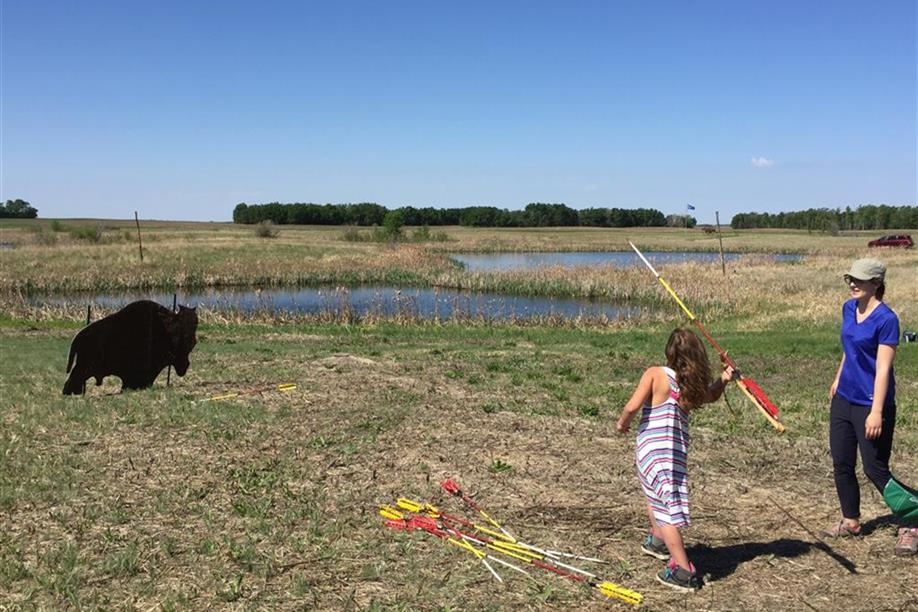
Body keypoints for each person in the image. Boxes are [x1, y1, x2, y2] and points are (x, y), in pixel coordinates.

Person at [616, 328, 734, 591]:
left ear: (669, 352)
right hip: (675, 454)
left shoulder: (655, 374)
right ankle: (658, 540)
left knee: (664, 508)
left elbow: (632, 406)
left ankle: (683, 569)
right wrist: (724, 377)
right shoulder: (688, 384)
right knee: (656, 495)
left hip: (651, 451)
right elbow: (711, 394)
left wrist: (623, 423)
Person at [824, 257, 917, 556]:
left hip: (871, 403)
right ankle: (851, 521)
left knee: (875, 469)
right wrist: (838, 378)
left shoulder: (886, 319)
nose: (852, 283)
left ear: (876, 283)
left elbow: (882, 370)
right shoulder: (848, 308)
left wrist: (876, 411)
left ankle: (912, 519)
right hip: (844, 399)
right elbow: (849, 349)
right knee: (841, 463)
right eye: (850, 278)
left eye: (859, 280)